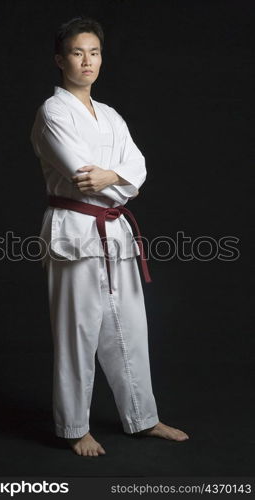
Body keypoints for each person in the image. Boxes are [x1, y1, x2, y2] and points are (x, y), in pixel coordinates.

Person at [31, 16, 189, 457]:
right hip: (73, 229)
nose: (87, 61)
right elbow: (81, 177)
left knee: (129, 326)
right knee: (78, 328)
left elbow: (138, 172)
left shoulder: (112, 116)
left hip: (115, 229)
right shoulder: (52, 112)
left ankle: (143, 417)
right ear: (60, 59)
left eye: (95, 52)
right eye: (78, 52)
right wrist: (114, 178)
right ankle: (74, 426)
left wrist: (113, 177)